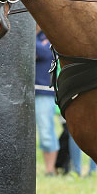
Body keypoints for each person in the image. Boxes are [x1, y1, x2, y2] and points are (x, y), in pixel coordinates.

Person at [35, 26, 60, 176]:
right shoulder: (39, 38)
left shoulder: (49, 35)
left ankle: (50, 170)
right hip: (26, 91)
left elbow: (46, 54)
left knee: (46, 132)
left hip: (44, 91)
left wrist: (28, 40)